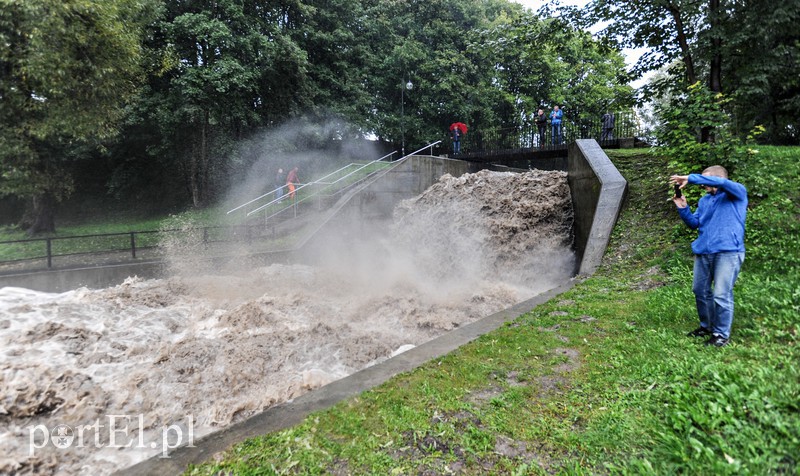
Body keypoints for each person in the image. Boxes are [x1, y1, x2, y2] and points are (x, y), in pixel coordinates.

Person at [670, 165, 748, 347]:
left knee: (721, 294)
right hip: (704, 251)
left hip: (728, 252)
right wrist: (683, 208)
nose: (703, 185)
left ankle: (721, 335)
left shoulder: (736, 193)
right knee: (700, 291)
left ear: (718, 179)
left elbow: (721, 182)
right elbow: (694, 223)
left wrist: (692, 177)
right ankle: (707, 326)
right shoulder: (705, 201)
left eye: (706, 180)